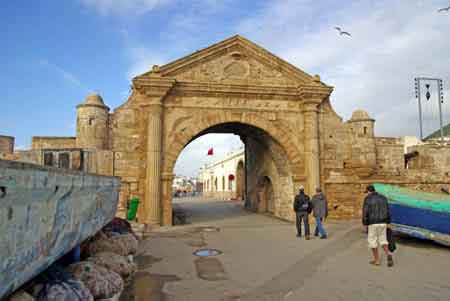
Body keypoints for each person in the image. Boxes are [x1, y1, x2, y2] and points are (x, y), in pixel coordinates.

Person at [362, 184, 394, 267]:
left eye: (367, 192)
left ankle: (377, 260)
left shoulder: (367, 199)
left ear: (369, 191)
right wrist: (388, 222)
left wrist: (365, 223)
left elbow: (365, 212)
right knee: (383, 240)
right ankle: (388, 254)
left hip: (372, 222)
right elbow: (387, 210)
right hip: (383, 222)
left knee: (372, 242)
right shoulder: (383, 198)